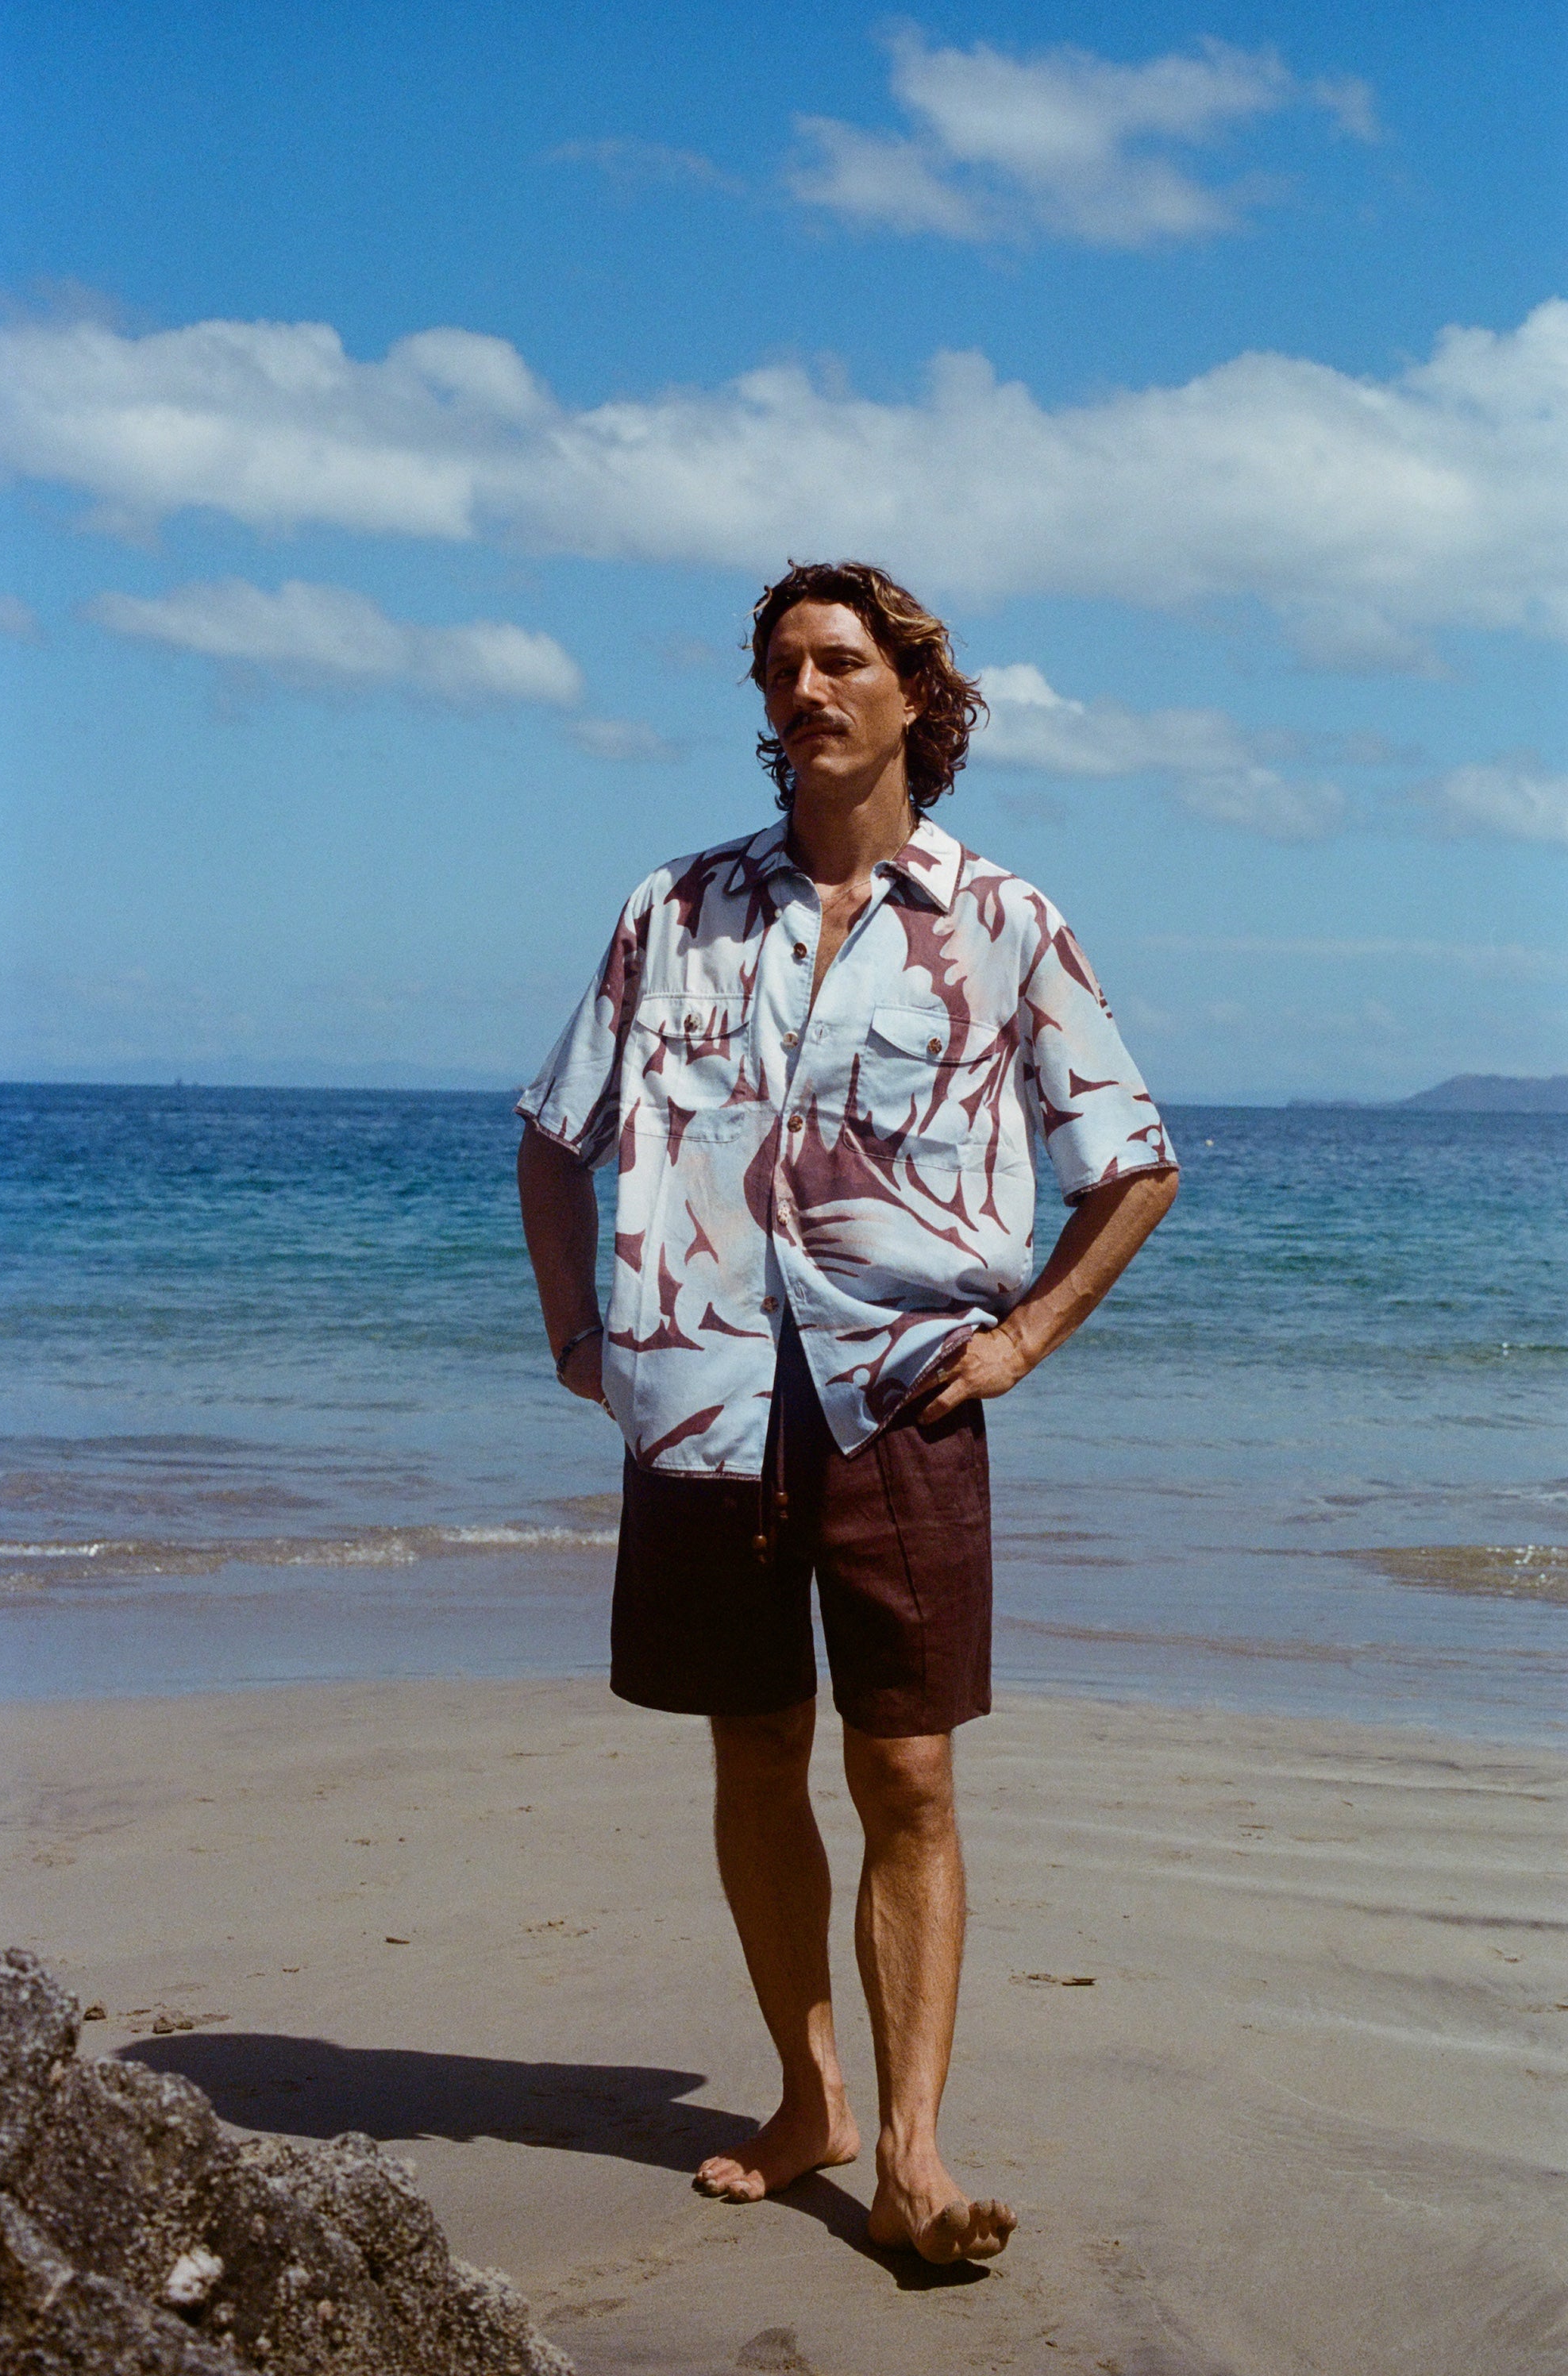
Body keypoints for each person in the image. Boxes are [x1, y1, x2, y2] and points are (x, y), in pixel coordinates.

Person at [517, 561, 1178, 2266]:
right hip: (703, 1404)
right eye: (781, 668)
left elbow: (1131, 1162)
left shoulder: (1005, 919)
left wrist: (1024, 1337)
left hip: (900, 1399)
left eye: (838, 662)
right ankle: (806, 2094)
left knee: (906, 1772)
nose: (803, 690)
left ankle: (913, 2154)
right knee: (753, 1744)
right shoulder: (672, 909)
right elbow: (553, 1134)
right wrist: (582, 1334)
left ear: (911, 698)